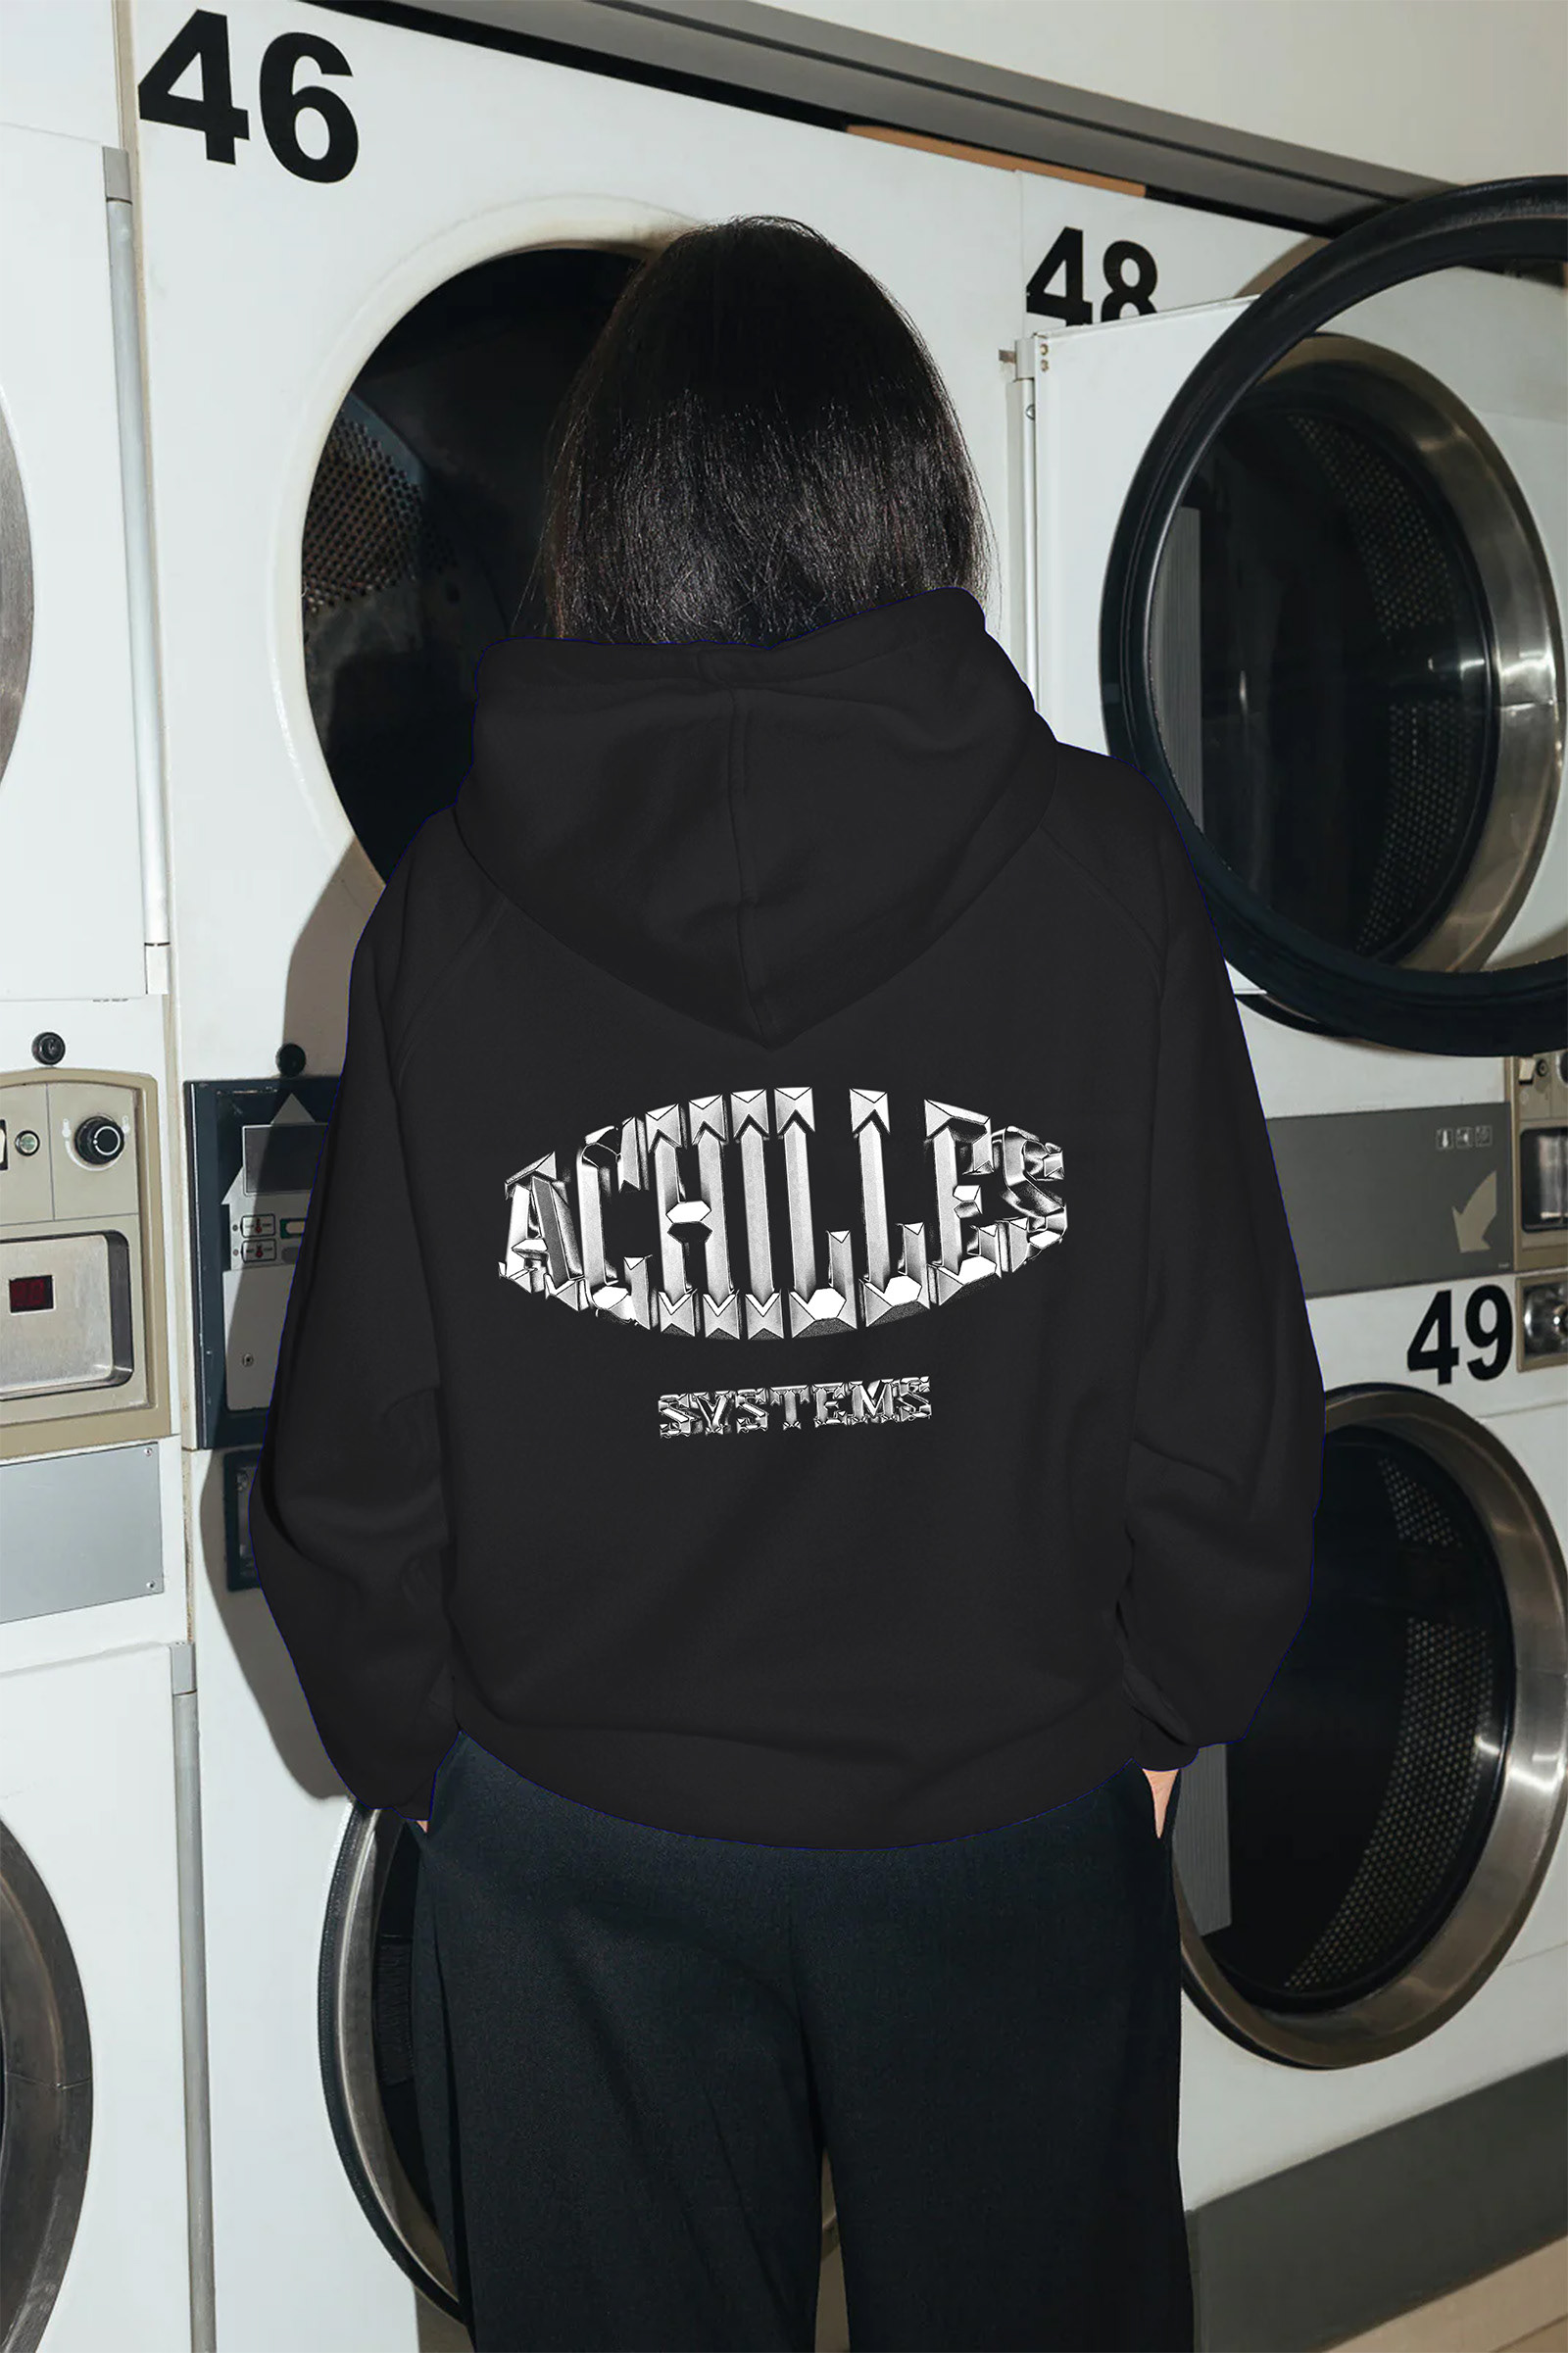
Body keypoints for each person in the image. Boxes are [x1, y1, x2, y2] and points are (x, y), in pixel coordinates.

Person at [249, 216, 1324, 2353]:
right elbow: (1225, 1409)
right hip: (1006, 1803)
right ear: (911, 490)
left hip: (579, 1842)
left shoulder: (445, 914)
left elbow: (355, 1471)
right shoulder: (1103, 871)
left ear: (601, 516)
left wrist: (448, 1769)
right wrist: (1148, 1721)